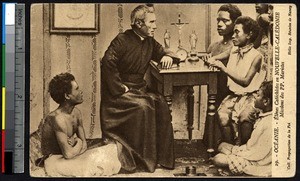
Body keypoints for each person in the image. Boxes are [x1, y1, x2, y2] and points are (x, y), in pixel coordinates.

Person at [100, 5, 179, 173]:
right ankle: (143, 160)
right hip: (119, 94)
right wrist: (120, 87)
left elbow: (166, 52)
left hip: (139, 90)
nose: (155, 26)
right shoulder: (122, 39)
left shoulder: (149, 41)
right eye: (151, 22)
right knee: (144, 107)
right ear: (138, 23)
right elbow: (107, 62)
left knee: (161, 103)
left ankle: (161, 159)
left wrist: (166, 56)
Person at [41, 73, 121, 176]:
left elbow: (85, 145)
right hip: (53, 160)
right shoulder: (57, 118)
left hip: (69, 155)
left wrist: (77, 144)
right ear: (67, 96)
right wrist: (78, 141)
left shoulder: (76, 113)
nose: (81, 92)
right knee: (93, 165)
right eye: (77, 89)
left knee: (111, 149)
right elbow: (69, 153)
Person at [209, 16, 266, 145]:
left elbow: (246, 82)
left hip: (251, 96)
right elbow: (218, 57)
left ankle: (244, 149)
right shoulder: (234, 50)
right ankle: (231, 148)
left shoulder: (256, 56)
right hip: (234, 96)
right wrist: (211, 59)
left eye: (237, 32)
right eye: (233, 32)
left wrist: (223, 68)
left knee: (245, 118)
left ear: (249, 35)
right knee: (222, 116)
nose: (233, 36)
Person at [212, 81, 272, 176]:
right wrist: (238, 150)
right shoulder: (263, 117)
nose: (255, 97)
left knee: (218, 159)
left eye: (258, 95)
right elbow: (252, 146)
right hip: (249, 152)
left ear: (266, 101)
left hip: (255, 162)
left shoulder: (269, 123)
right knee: (222, 146)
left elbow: (258, 154)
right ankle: (231, 163)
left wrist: (237, 154)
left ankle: (239, 168)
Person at [203, 4, 242, 151]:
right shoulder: (213, 46)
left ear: (235, 23)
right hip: (214, 94)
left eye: (225, 21)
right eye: (218, 20)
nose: (220, 24)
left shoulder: (238, 45)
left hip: (231, 95)